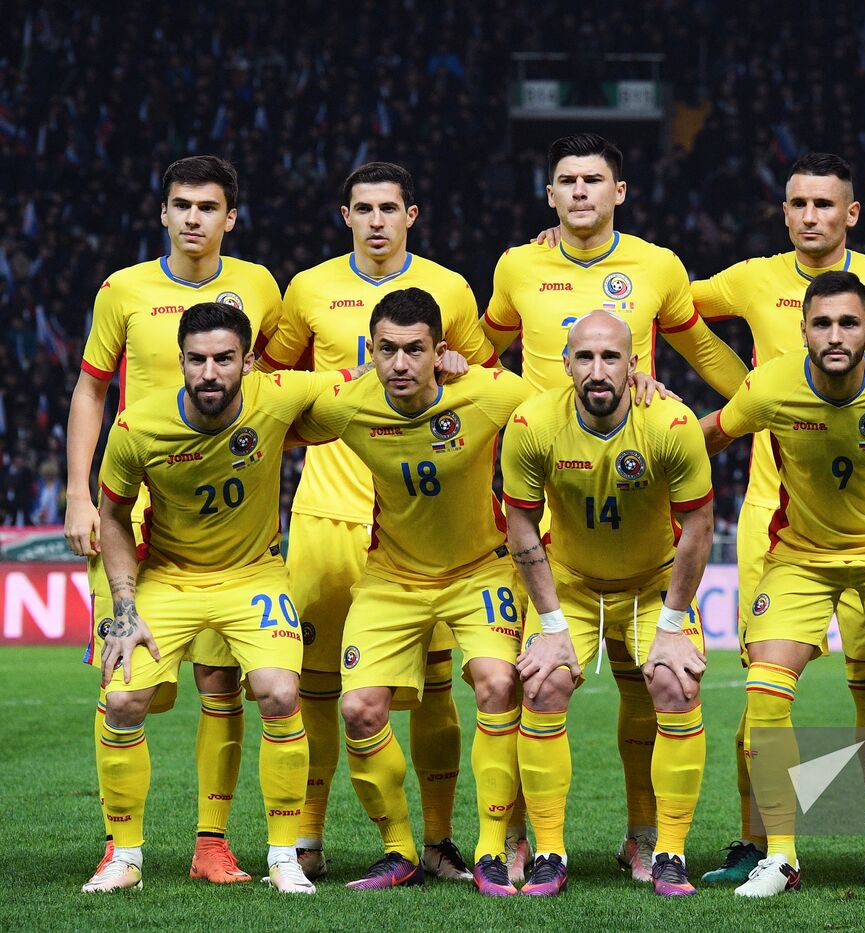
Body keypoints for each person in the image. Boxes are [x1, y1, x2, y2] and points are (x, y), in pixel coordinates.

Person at [690, 151, 865, 886]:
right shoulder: (751, 278)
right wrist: (733, 378)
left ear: (852, 214)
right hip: (779, 520)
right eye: (798, 203)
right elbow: (673, 312)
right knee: (762, 682)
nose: (810, 215)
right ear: (784, 212)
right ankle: (761, 844)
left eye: (824, 204)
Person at [488, 132, 746, 882]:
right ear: (549, 195)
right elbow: (484, 345)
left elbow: (700, 349)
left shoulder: (658, 266)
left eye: (593, 180)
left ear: (619, 192)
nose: (579, 192)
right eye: (565, 180)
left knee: (653, 682)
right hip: (547, 477)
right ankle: (522, 839)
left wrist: (757, 402)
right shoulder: (517, 264)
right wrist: (451, 367)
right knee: (527, 676)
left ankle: (648, 837)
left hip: (635, 481)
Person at [258, 162, 496, 882]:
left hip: (423, 521)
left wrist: (455, 364)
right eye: (364, 208)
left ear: (411, 215)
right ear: (345, 215)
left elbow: (482, 386)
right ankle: (308, 836)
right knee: (320, 687)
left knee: (437, 684)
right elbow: (269, 391)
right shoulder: (307, 289)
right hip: (328, 513)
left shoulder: (449, 290)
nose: (377, 220)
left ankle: (439, 841)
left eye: (389, 207)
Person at [82, 302, 365, 894]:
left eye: (224, 359)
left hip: (253, 576)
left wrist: (444, 363)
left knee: (280, 693)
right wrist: (123, 611)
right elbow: (111, 516)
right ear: (180, 360)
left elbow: (360, 383)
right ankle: (124, 857)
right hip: (168, 577)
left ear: (247, 361)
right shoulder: (138, 427)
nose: (210, 372)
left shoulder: (278, 393)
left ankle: (283, 856)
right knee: (125, 700)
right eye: (197, 360)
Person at [66, 155, 283, 884]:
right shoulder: (123, 290)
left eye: (208, 206)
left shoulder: (259, 286)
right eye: (181, 205)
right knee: (132, 685)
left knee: (223, 684)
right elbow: (92, 389)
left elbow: (277, 380)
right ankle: (119, 843)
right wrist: (76, 491)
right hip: (135, 504)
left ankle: (210, 842)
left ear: (231, 216)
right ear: (163, 213)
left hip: (220, 515)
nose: (194, 217)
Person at [291, 287, 533, 894]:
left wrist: (644, 387)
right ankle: (399, 851)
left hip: (480, 571)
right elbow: (268, 423)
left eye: (414, 351)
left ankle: (489, 850)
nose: (399, 364)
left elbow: (567, 412)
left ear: (439, 352)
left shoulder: (488, 392)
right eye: (387, 351)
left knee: (498, 684)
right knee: (358, 708)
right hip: (392, 579)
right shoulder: (348, 402)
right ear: (369, 352)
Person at [502, 310, 714, 897]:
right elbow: (520, 524)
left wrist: (672, 626)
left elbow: (698, 528)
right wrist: (548, 625)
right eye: (586, 358)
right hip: (569, 582)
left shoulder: (669, 423)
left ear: (633, 365)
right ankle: (548, 850)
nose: (598, 371)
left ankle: (664, 850)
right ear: (565, 363)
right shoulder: (533, 423)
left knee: (676, 682)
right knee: (542, 686)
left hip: (652, 583)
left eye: (611, 357)